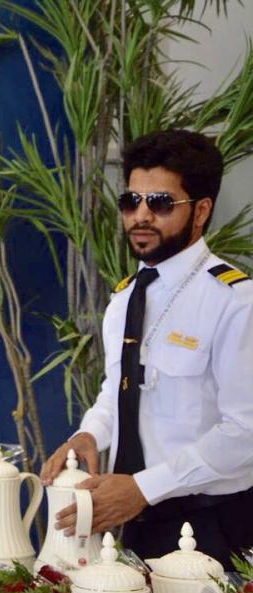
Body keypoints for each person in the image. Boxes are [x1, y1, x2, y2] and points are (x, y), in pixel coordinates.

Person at [41, 129, 253, 567]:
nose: (140, 215)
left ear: (201, 210)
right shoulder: (125, 297)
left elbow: (245, 431)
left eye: (159, 203)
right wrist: (90, 433)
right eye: (130, 201)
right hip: (134, 516)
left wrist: (144, 488)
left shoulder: (235, 301)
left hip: (213, 523)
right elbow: (119, 390)